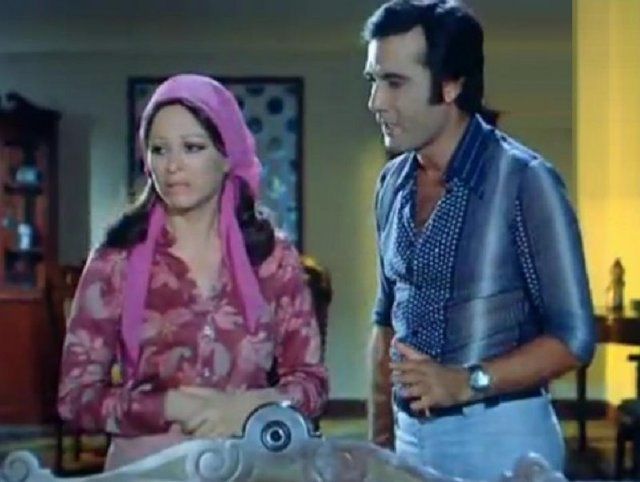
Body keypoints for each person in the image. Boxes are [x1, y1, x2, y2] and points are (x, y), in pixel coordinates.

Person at [362, 1, 595, 479]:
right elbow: (385, 321)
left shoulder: (524, 181)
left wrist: (467, 382)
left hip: (500, 436)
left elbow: (574, 338)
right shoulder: (392, 184)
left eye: (395, 82)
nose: (376, 102)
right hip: (409, 438)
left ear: (451, 84)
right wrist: (379, 444)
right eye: (374, 81)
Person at [57, 74, 328, 470]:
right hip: (148, 469)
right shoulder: (115, 261)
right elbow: (75, 398)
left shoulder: (272, 258)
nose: (173, 166)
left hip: (252, 463)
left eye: (192, 148)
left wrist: (249, 406)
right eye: (159, 150)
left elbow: (311, 385)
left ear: (227, 156)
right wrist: (169, 406)